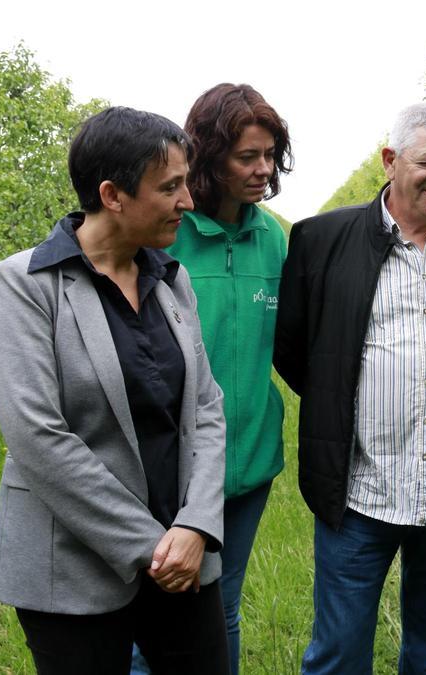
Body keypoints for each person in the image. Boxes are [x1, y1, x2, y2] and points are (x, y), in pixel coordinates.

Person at [273, 101, 426, 674]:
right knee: (338, 652)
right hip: (360, 490)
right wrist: (340, 402)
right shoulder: (321, 240)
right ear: (390, 161)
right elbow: (295, 350)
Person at [0, 106, 228, 675]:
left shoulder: (172, 279)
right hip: (72, 564)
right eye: (170, 187)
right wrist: (154, 548)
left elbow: (207, 407)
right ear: (112, 195)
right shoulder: (27, 285)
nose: (188, 201)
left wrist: (196, 525)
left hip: (184, 549)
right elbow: (37, 436)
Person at [130, 83, 292, 675]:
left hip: (247, 461)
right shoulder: (165, 235)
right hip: (168, 469)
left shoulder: (273, 236)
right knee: (152, 619)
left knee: (222, 606)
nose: (263, 169)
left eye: (270, 155)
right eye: (247, 156)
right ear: (208, 155)